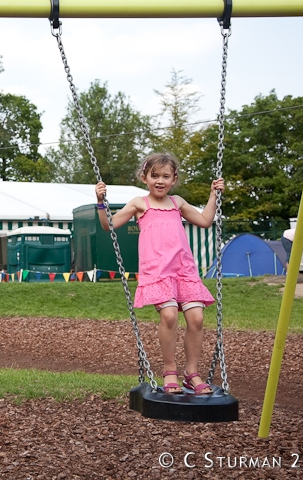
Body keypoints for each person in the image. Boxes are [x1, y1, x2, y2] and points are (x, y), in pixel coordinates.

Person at [95, 152, 225, 395]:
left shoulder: (178, 203)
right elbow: (107, 225)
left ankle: (192, 374)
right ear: (144, 177)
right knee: (169, 317)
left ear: (174, 179)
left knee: (196, 318)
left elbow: (206, 220)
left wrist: (213, 194)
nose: (160, 181)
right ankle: (169, 371)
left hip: (183, 270)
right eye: (155, 176)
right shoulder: (139, 203)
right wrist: (101, 202)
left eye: (166, 176)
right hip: (157, 272)